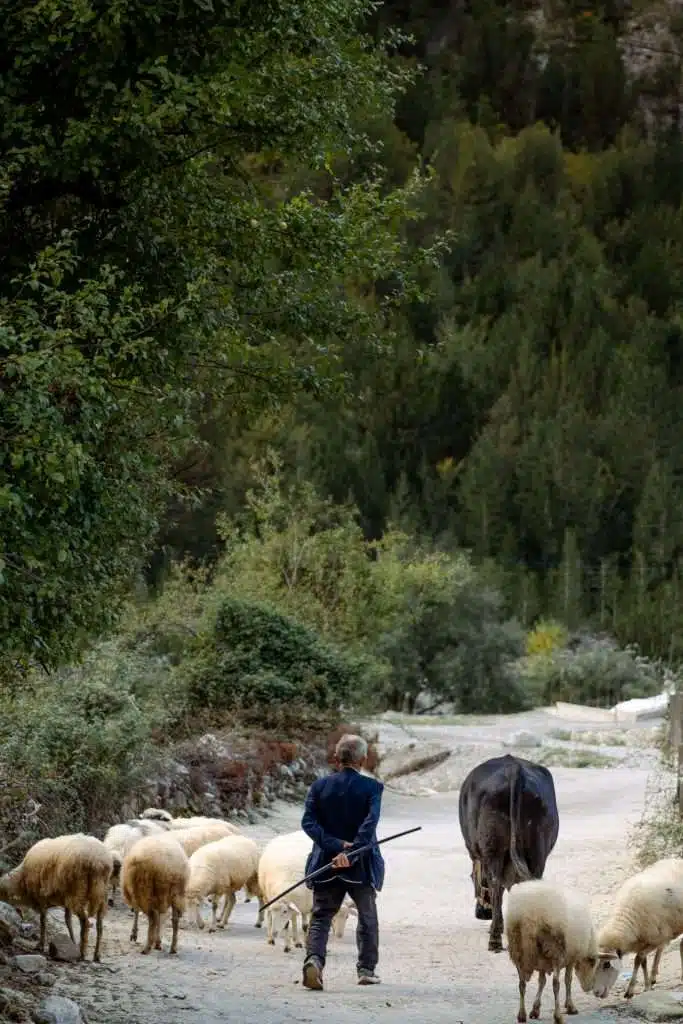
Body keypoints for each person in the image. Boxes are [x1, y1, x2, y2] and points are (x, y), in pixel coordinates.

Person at [300, 732, 384, 991]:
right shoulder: (372, 788)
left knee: (321, 916)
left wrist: (336, 847)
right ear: (364, 759)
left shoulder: (319, 787)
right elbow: (369, 827)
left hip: (325, 862)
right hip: (360, 865)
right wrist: (352, 852)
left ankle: (314, 960)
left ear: (336, 757)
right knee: (367, 916)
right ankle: (366, 970)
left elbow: (308, 823)